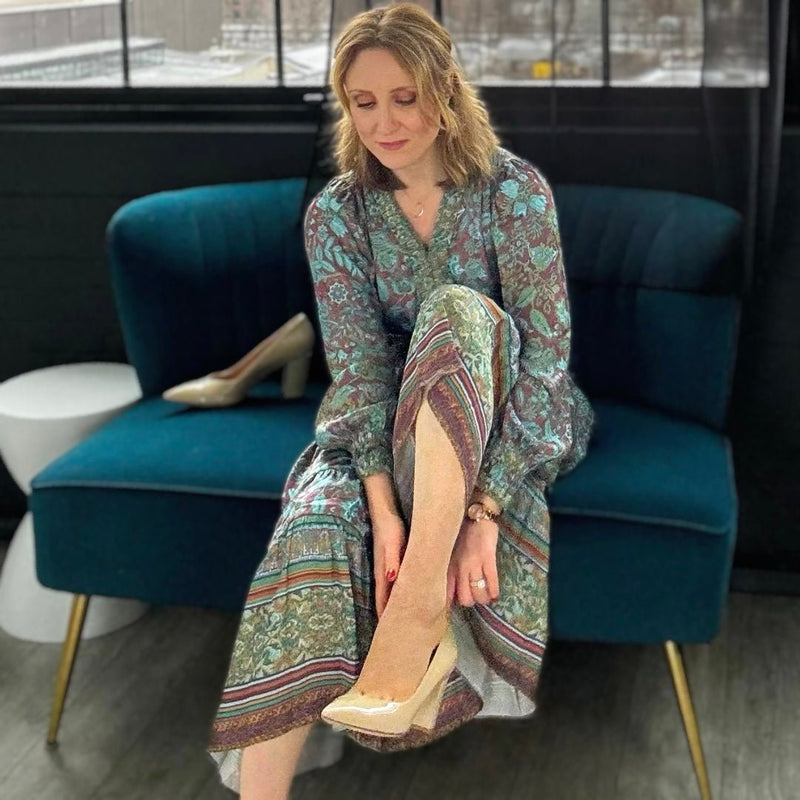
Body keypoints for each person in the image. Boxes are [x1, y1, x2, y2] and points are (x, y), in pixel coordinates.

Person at [206, 3, 594, 798]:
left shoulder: (512, 193)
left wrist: (485, 512)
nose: (385, 120)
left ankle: (418, 612)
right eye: (363, 101)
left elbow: (547, 362)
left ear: (444, 91)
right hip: (388, 426)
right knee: (315, 525)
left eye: (405, 96)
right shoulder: (337, 215)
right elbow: (357, 372)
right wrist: (382, 508)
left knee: (453, 310)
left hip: (510, 413)